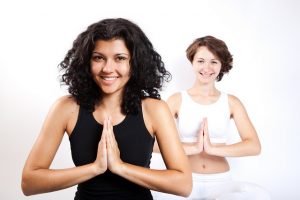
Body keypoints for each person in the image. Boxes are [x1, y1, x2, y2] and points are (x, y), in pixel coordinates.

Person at [21, 18, 192, 200]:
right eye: (98, 58)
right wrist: (95, 168)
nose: (108, 68)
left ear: (135, 63)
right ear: (87, 62)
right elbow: (29, 183)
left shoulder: (155, 110)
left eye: (120, 58)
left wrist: (120, 167)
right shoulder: (66, 108)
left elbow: (183, 185)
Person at [152, 35, 270, 199]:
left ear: (222, 65)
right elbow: (149, 142)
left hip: (220, 182)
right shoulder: (177, 100)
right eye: (201, 61)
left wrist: (213, 149)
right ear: (192, 62)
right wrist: (192, 148)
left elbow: (254, 146)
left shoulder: (231, 102)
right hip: (183, 178)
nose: (206, 67)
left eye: (214, 61)